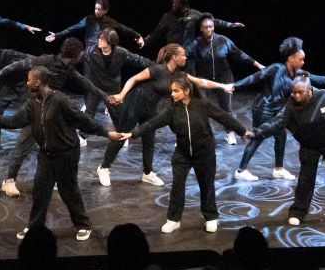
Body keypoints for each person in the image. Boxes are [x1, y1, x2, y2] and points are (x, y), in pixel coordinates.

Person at [0, 65, 128, 241]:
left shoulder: (60, 100)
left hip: (66, 153)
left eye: (29, 80)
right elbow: (12, 121)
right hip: (46, 154)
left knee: (69, 191)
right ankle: (35, 226)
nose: (27, 83)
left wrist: (107, 133)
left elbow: (83, 120)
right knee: (40, 191)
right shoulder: (32, 103)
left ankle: (83, 225)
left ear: (37, 82)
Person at [0, 38, 111, 197]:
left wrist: (106, 97)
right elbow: (18, 65)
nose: (82, 56)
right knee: (24, 142)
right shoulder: (46, 60)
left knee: (58, 143)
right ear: (75, 54)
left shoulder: (67, 68)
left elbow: (85, 83)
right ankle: (8, 181)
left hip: (53, 109)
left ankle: (55, 178)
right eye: (81, 53)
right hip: (36, 107)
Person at [98, 43, 234, 188]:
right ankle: (104, 167)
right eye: (183, 55)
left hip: (151, 108)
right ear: (174, 57)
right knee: (121, 136)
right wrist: (121, 95)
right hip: (134, 104)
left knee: (149, 139)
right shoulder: (157, 69)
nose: (185, 57)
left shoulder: (179, 75)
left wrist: (222, 86)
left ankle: (147, 173)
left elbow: (200, 81)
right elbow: (133, 79)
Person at [128, 74, 250, 233]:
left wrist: (242, 131)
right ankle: (173, 219)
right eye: (171, 91)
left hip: (204, 153)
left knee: (206, 186)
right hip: (182, 155)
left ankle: (211, 217)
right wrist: (132, 134)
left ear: (186, 91)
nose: (172, 94)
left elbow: (224, 117)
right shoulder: (172, 109)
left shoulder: (203, 105)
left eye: (175, 91)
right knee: (177, 187)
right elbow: (152, 123)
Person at [232, 37, 325, 180]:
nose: (303, 62)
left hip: (278, 110)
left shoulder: (299, 74)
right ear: (291, 58)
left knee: (281, 137)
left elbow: (321, 79)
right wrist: (235, 85)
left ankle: (278, 169)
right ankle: (240, 171)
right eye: (300, 59)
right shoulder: (276, 68)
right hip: (263, 108)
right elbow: (255, 77)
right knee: (258, 137)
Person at [249, 74, 325, 226]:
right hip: (309, 145)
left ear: (309, 90)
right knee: (305, 180)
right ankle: (298, 212)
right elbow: (276, 122)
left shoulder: (324, 95)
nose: (296, 96)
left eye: (300, 92)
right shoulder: (290, 106)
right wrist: (256, 133)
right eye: (293, 92)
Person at [188, 14, 265, 143]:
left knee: (226, 108)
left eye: (211, 27)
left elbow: (240, 55)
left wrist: (257, 64)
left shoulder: (223, 40)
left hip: (224, 76)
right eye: (206, 27)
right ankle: (195, 135)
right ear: (201, 29)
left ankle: (230, 133)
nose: (209, 30)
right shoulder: (196, 43)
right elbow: (184, 55)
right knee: (200, 106)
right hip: (204, 78)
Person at [79, 28, 153, 134]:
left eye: (101, 39)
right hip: (95, 87)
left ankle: (122, 133)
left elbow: (138, 60)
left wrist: (156, 67)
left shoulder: (120, 52)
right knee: (89, 112)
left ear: (110, 42)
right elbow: (76, 57)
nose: (98, 40)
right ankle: (83, 135)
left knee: (118, 114)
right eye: (99, 38)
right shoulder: (91, 51)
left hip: (112, 87)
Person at [142, 0, 244, 53]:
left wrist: (231, 25)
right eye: (172, 3)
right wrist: (145, 41)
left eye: (176, 3)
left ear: (182, 4)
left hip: (189, 54)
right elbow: (156, 32)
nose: (173, 5)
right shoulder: (167, 17)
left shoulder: (194, 14)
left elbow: (212, 21)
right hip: (172, 53)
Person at [45, 0, 145, 51]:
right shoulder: (89, 19)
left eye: (100, 9)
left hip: (104, 51)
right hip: (90, 50)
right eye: (96, 8)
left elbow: (124, 28)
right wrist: (57, 35)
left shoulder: (110, 21)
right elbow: (73, 28)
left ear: (105, 11)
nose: (97, 11)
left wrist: (138, 35)